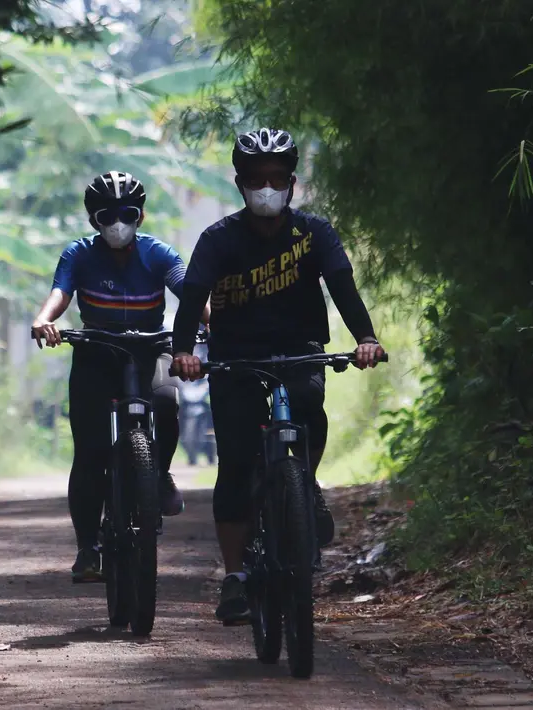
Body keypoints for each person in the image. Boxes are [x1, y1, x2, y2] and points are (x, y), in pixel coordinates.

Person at [169, 128, 387, 624]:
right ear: (241, 184)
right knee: (237, 466)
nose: (266, 187)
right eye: (255, 179)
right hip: (234, 358)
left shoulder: (315, 233)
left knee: (311, 409)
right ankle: (233, 577)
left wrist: (366, 337)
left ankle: (303, 486)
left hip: (299, 350)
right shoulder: (218, 239)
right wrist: (184, 350)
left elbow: (342, 288)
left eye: (275, 178)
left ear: (290, 182)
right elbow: (191, 298)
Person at [31, 170, 209, 583]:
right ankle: (87, 549)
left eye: (126, 213)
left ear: (140, 215)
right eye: (105, 216)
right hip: (96, 351)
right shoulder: (78, 254)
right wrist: (43, 320)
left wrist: (219, 324)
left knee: (166, 403)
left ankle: (158, 474)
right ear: (93, 220)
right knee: (90, 453)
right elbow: (61, 292)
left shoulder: (159, 254)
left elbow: (191, 294)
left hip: (151, 347)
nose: (116, 223)